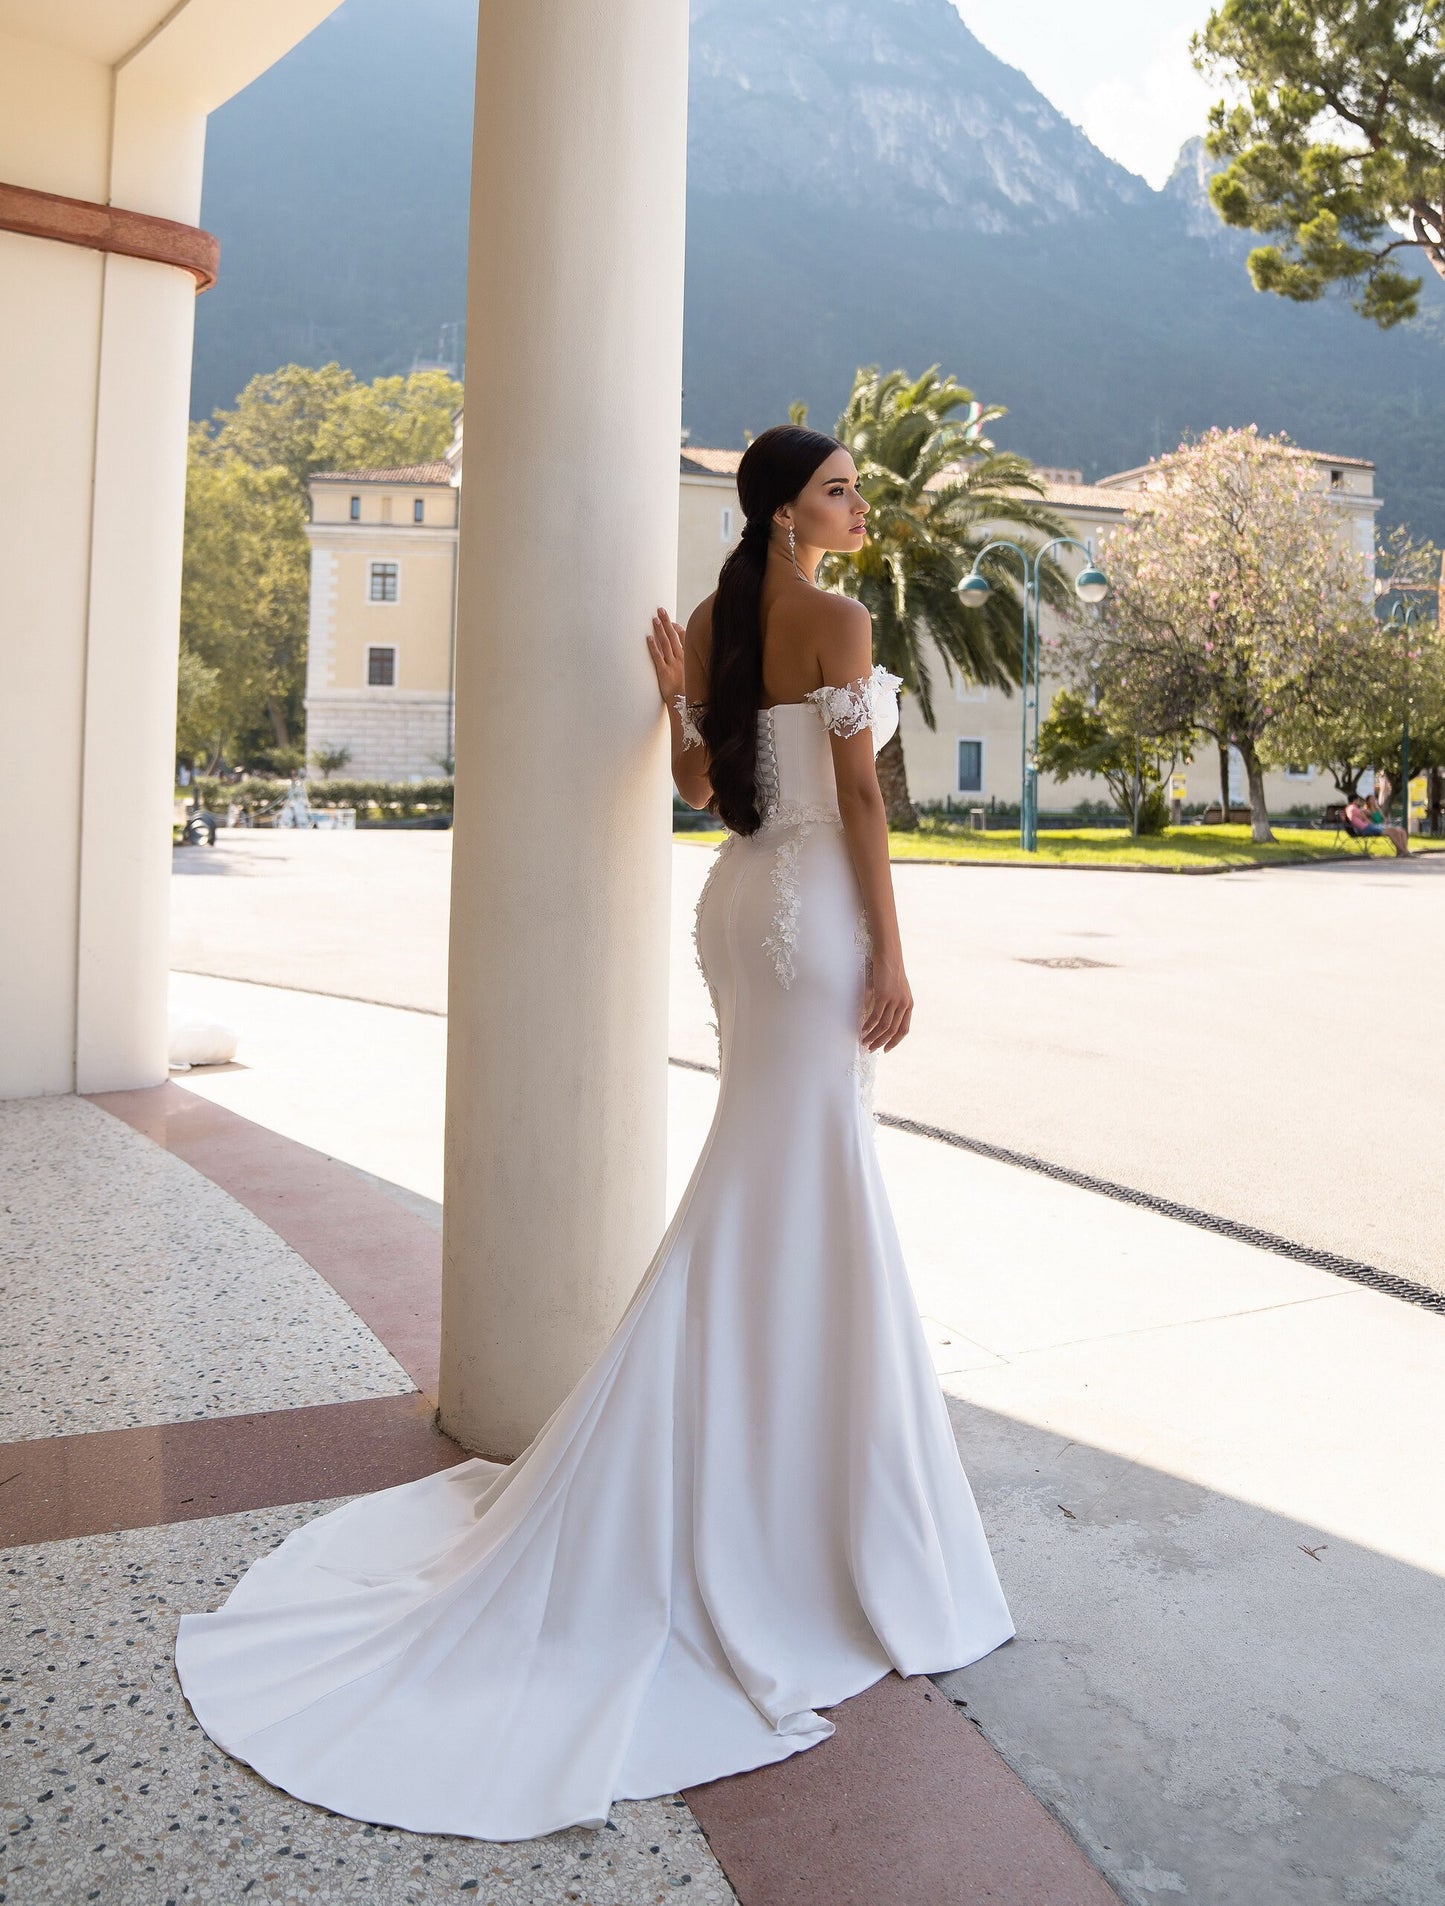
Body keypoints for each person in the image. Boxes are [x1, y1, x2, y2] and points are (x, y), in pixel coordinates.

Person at [172, 424, 1014, 1842]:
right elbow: (861, 794)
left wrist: (682, 704)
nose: (856, 502)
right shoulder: (839, 615)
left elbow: (699, 791)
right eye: (839, 487)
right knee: (801, 1179)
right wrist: (894, 952)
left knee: (770, 1180)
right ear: (790, 507)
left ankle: (743, 1449)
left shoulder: (710, 619)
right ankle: (791, 1495)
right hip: (815, 916)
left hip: (740, 908)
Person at [1344, 789, 1409, 857]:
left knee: (1397, 831)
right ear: (1355, 800)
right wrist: (1367, 819)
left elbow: (1363, 818)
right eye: (1358, 800)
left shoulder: (1351, 808)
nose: (1359, 801)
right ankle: (1404, 852)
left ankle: (1402, 852)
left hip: (1368, 827)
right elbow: (1364, 818)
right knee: (1392, 831)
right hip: (1366, 828)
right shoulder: (1353, 808)